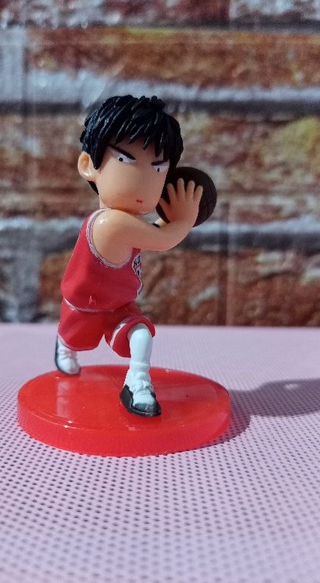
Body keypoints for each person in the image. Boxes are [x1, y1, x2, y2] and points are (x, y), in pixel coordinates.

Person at [55, 95, 202, 417]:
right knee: (75, 341)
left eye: (158, 166)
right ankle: (63, 346)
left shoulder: (129, 223)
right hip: (86, 305)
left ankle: (138, 381)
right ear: (88, 165)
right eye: (125, 159)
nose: (145, 178)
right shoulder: (110, 224)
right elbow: (163, 239)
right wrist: (184, 220)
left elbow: (151, 232)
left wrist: (172, 220)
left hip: (119, 305)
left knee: (141, 333)